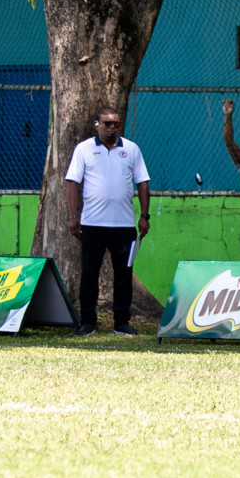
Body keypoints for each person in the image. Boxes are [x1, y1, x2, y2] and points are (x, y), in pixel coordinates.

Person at [65, 106, 151, 336]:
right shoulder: (84, 149)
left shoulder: (131, 149)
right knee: (89, 275)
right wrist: (74, 217)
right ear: (97, 124)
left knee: (123, 276)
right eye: (107, 124)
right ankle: (88, 322)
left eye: (116, 124)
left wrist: (144, 215)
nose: (112, 128)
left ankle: (121, 322)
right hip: (92, 224)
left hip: (124, 226)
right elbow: (72, 182)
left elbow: (142, 182)